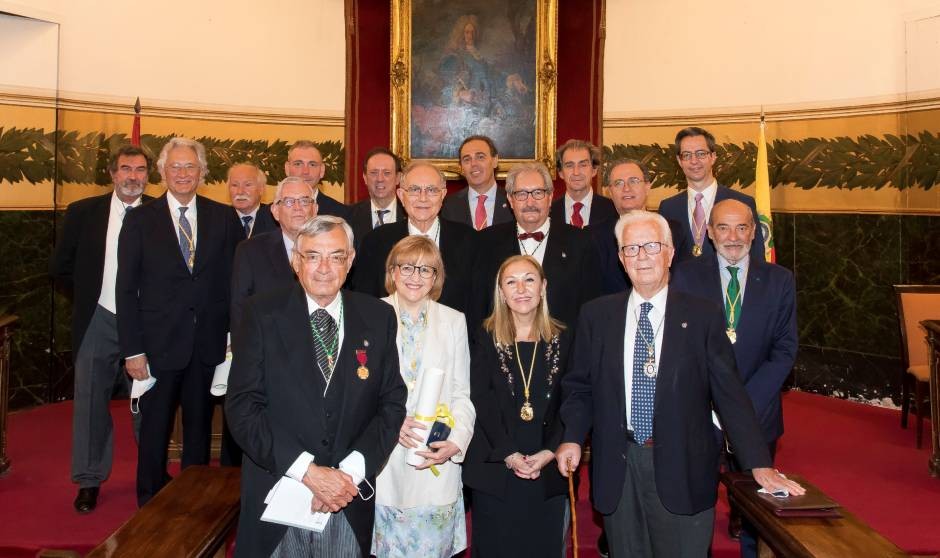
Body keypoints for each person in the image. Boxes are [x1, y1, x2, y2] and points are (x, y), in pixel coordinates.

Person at [556, 210, 803, 557]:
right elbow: (580, 387)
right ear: (620, 258)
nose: (642, 257)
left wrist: (758, 462)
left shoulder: (702, 315)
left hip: (683, 466)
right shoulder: (597, 315)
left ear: (670, 253)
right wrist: (570, 438)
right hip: (618, 467)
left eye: (652, 246)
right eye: (631, 248)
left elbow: (729, 393)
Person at [226, 215, 407, 557]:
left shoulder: (378, 316)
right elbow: (243, 406)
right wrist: (307, 472)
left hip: (346, 497)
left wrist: (348, 474)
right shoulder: (261, 313)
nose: (324, 267)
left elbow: (392, 403)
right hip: (278, 490)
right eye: (313, 256)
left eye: (336, 256)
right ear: (296, 260)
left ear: (350, 261)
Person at [116, 137, 244, 506]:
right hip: (156, 346)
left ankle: (194, 500)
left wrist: (233, 336)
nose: (184, 173)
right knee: (154, 430)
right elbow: (126, 291)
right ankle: (149, 501)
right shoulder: (140, 220)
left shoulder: (223, 218)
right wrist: (133, 350)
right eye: (176, 167)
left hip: (208, 343)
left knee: (200, 429)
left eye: (191, 167)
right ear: (163, 172)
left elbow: (234, 283)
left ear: (203, 172)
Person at [670, 199, 798, 557]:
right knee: (699, 501)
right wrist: (714, 403)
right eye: (723, 228)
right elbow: (678, 347)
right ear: (709, 233)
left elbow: (785, 350)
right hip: (701, 413)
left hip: (759, 411)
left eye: (742, 228)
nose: (733, 237)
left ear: (754, 233)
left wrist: (741, 405)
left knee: (754, 507)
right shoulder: (684, 276)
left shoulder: (779, 280)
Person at [50, 145, 152, 513]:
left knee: (147, 403)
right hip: (98, 319)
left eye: (140, 170)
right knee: (91, 402)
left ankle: (151, 476)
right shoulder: (83, 213)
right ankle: (89, 481)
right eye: (126, 169)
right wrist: (90, 300)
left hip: (144, 324)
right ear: (112, 173)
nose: (133, 177)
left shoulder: (160, 213)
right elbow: (61, 267)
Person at [372, 236, 475, 558]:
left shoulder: (454, 320)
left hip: (435, 457)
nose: (415, 276)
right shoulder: (370, 314)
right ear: (393, 271)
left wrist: (457, 440)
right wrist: (390, 422)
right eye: (407, 267)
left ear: (436, 277)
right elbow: (359, 392)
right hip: (385, 459)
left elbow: (462, 392)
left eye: (426, 269)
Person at [463, 255, 571, 557]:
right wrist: (509, 453)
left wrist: (550, 452)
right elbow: (479, 398)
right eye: (511, 282)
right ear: (501, 292)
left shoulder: (563, 338)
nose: (521, 289)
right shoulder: (483, 336)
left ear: (543, 287)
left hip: (546, 469)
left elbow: (572, 400)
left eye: (529, 279)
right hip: (497, 468)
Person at [223, 176, 319, 467]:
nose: (298, 208)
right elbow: (239, 312)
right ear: (275, 211)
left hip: (317, 364)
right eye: (289, 201)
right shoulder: (251, 251)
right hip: (266, 367)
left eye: (305, 201)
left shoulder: (329, 249)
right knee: (265, 448)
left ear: (315, 209)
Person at [471, 162, 600, 330]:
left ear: (550, 196)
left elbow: (591, 309)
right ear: (510, 199)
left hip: (565, 349)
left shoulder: (582, 242)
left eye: (538, 193)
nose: (530, 201)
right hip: (502, 348)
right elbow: (478, 308)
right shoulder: (485, 243)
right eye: (522, 194)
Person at [353, 162, 477, 316]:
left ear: (443, 194)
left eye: (431, 190)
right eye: (414, 190)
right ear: (401, 196)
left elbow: (477, 305)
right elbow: (365, 302)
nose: (423, 198)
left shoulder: (469, 240)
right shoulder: (375, 241)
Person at [658, 126, 765, 263]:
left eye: (701, 154)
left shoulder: (741, 202)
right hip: (682, 284)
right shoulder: (668, 207)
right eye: (687, 155)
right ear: (679, 161)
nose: (694, 161)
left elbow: (756, 257)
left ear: (713, 157)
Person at [589, 158, 655, 296]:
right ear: (610, 192)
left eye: (633, 181)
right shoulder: (592, 237)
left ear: (647, 186)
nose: (626, 188)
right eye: (618, 183)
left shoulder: (672, 231)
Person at [440, 136, 512, 230]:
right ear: (461, 167)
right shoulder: (448, 204)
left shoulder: (513, 200)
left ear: (495, 161)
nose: (473, 164)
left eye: (480, 157)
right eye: (467, 159)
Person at [550, 139, 617, 228]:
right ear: (561, 173)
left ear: (594, 170)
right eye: (569, 166)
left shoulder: (613, 210)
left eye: (583, 165)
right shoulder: (548, 212)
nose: (576, 172)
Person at [348, 147, 406, 248]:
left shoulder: (411, 214)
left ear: (398, 178)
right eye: (373, 173)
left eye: (386, 173)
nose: (380, 179)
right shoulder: (349, 216)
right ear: (365, 178)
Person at [284, 140, 349, 218]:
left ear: (322, 170)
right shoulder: (267, 215)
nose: (305, 171)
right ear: (287, 168)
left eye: (312, 164)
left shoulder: (341, 214)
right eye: (298, 164)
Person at [227, 162, 277, 238]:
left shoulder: (274, 218)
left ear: (261, 189)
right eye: (234, 185)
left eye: (247, 185)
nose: (240, 192)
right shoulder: (220, 220)